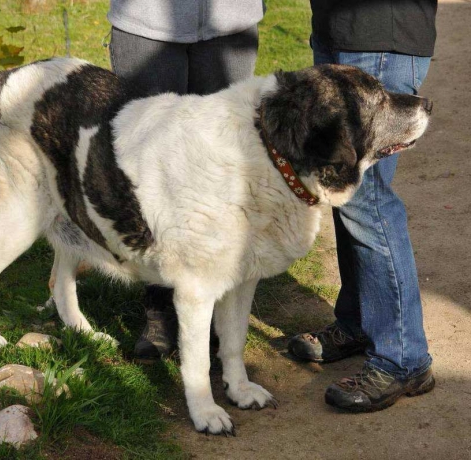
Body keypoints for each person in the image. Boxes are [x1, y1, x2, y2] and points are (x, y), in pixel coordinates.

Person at [288, 0, 438, 412]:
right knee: (345, 191)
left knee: (366, 200)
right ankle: (359, 323)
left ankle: (403, 358)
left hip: (380, 30)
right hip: (339, 25)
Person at [107, 1, 264, 359]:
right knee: (151, 169)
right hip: (144, 21)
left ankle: (212, 311)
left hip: (231, 21)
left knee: (222, 165)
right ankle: (160, 308)